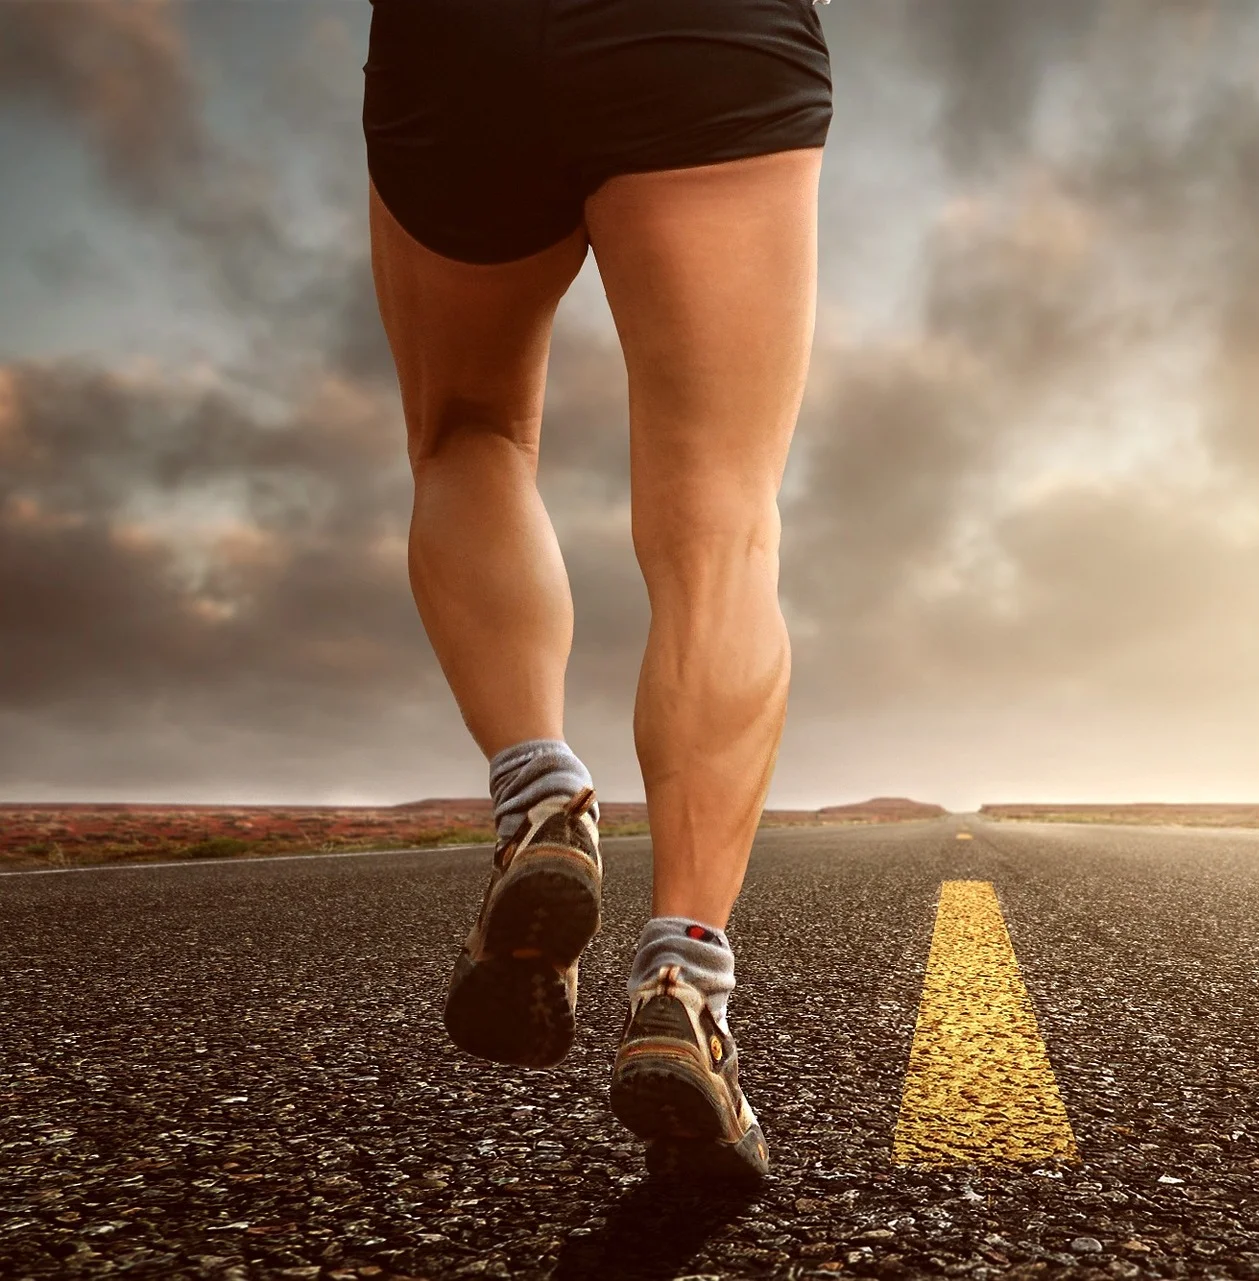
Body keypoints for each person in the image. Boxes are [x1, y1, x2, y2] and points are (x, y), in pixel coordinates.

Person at [361, 0, 831, 1186]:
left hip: (455, 39)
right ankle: (683, 983)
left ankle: (541, 790)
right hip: (708, 37)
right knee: (722, 527)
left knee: (469, 432)